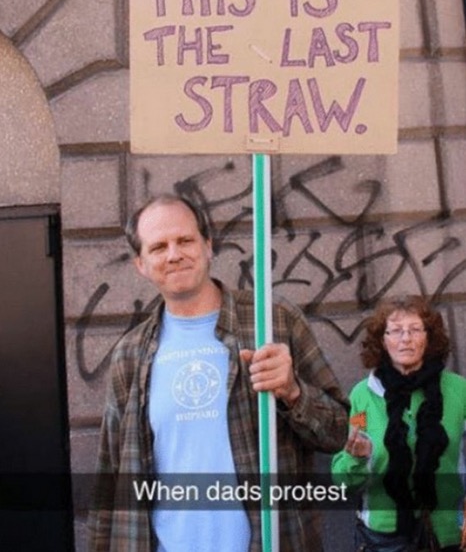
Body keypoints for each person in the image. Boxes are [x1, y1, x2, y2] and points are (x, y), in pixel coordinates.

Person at [87, 193, 349, 552]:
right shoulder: (129, 355)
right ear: (141, 265)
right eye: (158, 247)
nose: (174, 254)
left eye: (185, 240)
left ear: (208, 246)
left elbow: (337, 432)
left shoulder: (272, 322)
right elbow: (109, 477)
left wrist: (293, 392)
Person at [331, 295, 466, 552]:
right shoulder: (362, 395)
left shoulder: (458, 390)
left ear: (429, 337)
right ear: (382, 341)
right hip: (383, 537)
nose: (406, 338)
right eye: (395, 331)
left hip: (449, 531)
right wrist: (357, 457)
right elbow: (343, 481)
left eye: (415, 329)